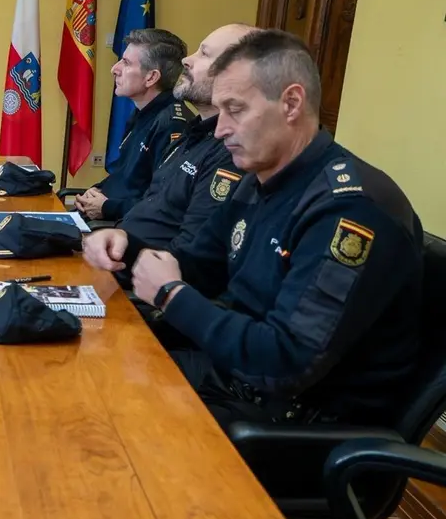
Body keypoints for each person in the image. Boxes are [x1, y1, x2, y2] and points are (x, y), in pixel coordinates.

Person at [83, 30, 422, 430]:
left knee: (100, 420)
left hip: (294, 424)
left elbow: (285, 363)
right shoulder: (261, 180)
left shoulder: (350, 209)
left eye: (236, 110)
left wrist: (172, 295)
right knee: (84, 369)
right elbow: (200, 265)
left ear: (291, 103)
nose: (221, 128)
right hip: (232, 378)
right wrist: (129, 248)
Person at [113, 24, 257, 265]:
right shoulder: (194, 133)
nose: (187, 60)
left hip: (140, 282)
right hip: (120, 253)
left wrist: (115, 241)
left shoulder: (229, 150)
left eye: (204, 53)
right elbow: (152, 205)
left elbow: (191, 258)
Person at [75, 28, 191, 222]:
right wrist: (96, 190)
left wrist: (108, 207)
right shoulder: (142, 113)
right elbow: (126, 176)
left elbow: (164, 202)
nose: (115, 69)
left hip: (124, 230)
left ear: (151, 77)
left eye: (126, 63)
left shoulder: (172, 125)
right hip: (107, 217)